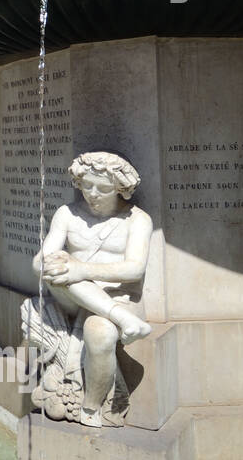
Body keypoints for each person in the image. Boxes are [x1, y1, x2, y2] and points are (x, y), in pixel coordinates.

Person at [24, 151, 153, 427]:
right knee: (60, 269)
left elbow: (135, 269)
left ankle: (92, 405)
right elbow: (40, 261)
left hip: (121, 295)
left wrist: (83, 268)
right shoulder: (67, 214)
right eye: (87, 185)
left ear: (121, 189)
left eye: (104, 188)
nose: (93, 193)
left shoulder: (137, 220)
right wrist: (59, 266)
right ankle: (121, 319)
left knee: (101, 332)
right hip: (72, 297)